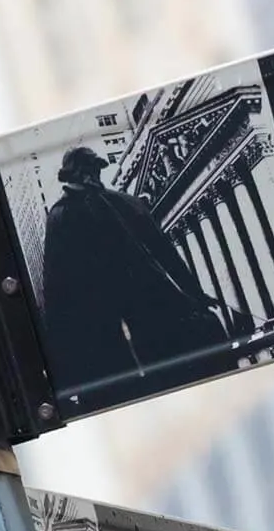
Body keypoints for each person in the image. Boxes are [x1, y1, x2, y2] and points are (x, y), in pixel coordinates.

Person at [41, 146, 229, 391]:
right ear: (73, 173)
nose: (95, 175)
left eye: (96, 169)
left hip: (150, 307)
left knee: (178, 369)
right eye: (88, 169)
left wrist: (194, 293)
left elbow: (165, 252)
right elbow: (55, 284)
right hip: (106, 323)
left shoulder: (124, 203)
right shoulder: (61, 216)